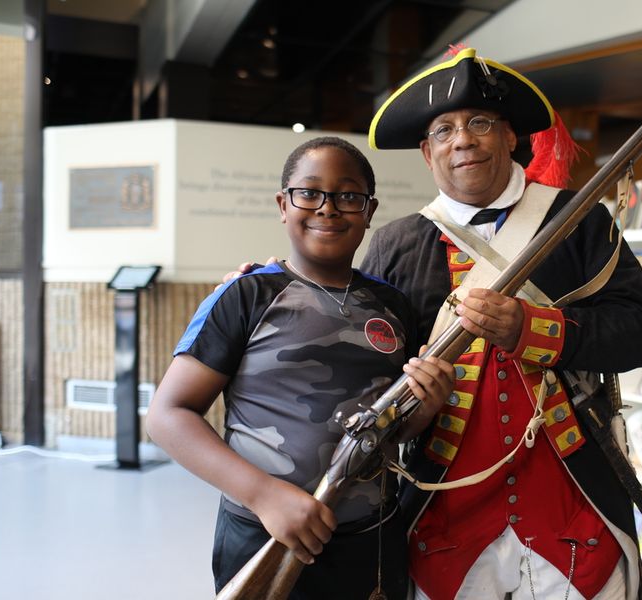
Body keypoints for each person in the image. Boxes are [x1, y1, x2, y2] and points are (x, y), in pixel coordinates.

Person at [230, 48, 642, 599]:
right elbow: (349, 336)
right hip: (443, 510)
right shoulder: (394, 242)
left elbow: (641, 333)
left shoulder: (576, 220)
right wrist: (261, 283)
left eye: (480, 123)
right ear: (426, 151)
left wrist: (533, 330)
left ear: (510, 137)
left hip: (573, 503)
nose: (463, 139)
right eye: (444, 129)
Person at [146, 136, 455, 599]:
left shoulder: (393, 305)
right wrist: (262, 495)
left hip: (372, 539)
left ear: (369, 211)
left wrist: (425, 409)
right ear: (283, 205)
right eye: (309, 193)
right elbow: (168, 415)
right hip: (262, 533)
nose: (328, 208)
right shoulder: (247, 295)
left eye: (348, 196)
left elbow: (393, 429)